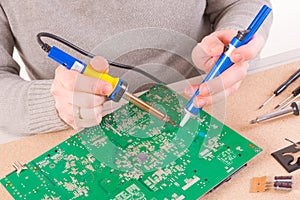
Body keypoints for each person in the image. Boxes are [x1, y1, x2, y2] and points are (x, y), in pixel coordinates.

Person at [0, 0, 272, 138]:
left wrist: (232, 41)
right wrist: (53, 104)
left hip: (210, 102)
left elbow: (242, 4)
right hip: (77, 132)